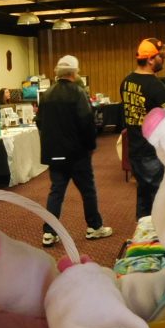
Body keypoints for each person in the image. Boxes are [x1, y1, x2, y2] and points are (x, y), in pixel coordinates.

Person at [36, 55, 112, 247]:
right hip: (77, 154)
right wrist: (91, 147)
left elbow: (39, 122)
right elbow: (87, 123)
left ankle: (49, 232)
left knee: (56, 192)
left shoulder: (47, 94)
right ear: (73, 72)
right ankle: (94, 227)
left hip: (55, 153)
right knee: (87, 190)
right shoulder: (78, 93)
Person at [120, 38, 165, 219]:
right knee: (158, 199)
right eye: (160, 56)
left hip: (134, 149)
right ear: (150, 60)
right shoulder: (157, 88)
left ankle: (142, 229)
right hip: (152, 152)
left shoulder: (126, 82)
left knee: (143, 194)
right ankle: (155, 233)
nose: (163, 60)